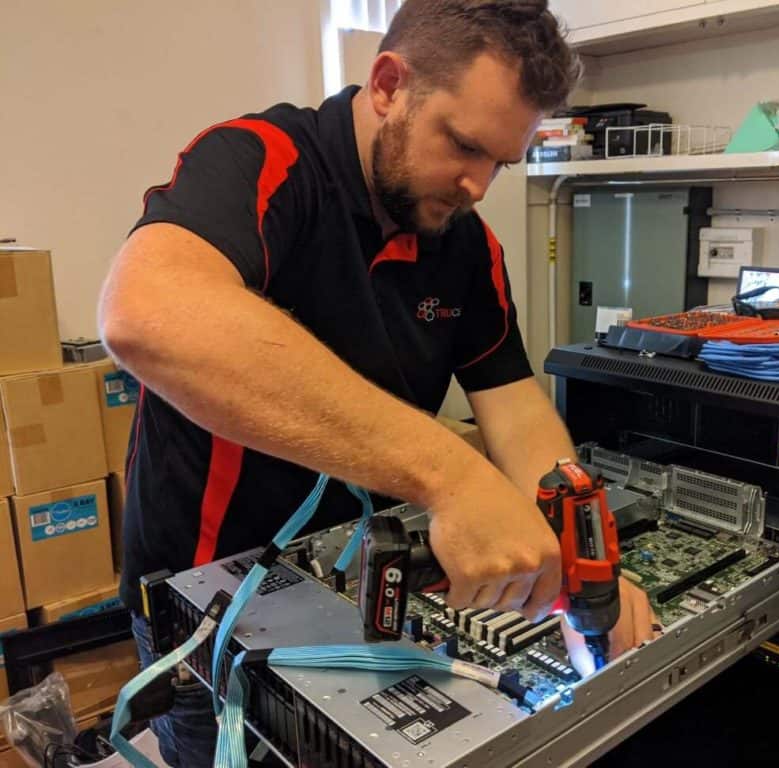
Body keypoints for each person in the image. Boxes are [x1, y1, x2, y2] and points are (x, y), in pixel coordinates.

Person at [98, 1, 658, 765]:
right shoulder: (261, 159)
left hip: (363, 597)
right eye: (463, 145)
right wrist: (455, 479)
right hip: (211, 613)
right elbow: (146, 310)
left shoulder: (468, 247)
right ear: (390, 85)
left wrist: (582, 561)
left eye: (501, 161)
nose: (478, 185)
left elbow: (517, 407)